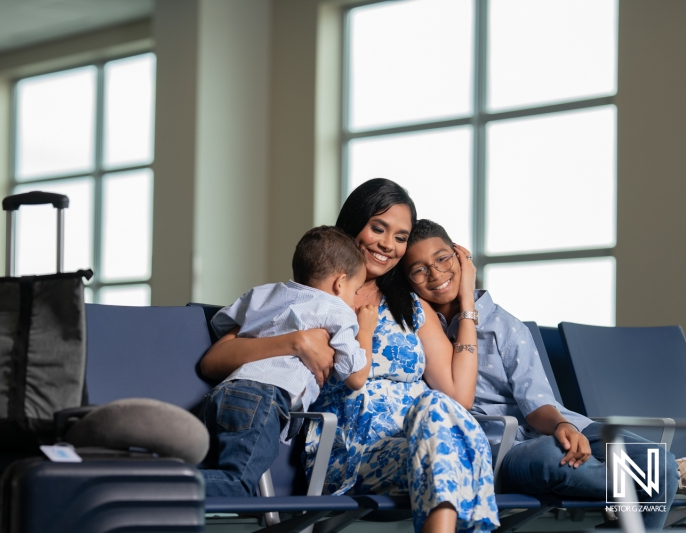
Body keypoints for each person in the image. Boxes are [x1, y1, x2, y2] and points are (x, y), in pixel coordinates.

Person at [201, 179, 500, 533]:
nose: (388, 245)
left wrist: (467, 302)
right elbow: (214, 360)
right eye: (378, 228)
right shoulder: (312, 297)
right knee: (453, 437)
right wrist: (297, 342)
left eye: (401, 237)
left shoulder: (411, 306)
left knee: (442, 414)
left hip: (420, 444)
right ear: (355, 221)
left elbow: (458, 396)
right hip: (347, 455)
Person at [403, 218, 678, 530]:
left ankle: (655, 481)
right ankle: (649, 486)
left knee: (656, 459)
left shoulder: (506, 326)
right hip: (506, 449)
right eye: (419, 269)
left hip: (554, 425)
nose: (436, 273)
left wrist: (562, 424)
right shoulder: (418, 330)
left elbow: (537, 403)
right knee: (554, 457)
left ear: (461, 258)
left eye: (442, 258)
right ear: (408, 280)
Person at [198, 225, 378, 497]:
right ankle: (140, 486)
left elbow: (221, 323)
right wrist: (365, 330)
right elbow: (354, 375)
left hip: (222, 394)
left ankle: (147, 479)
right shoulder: (337, 310)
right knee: (238, 485)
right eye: (354, 292)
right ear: (340, 283)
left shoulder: (263, 294)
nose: (354, 301)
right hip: (263, 399)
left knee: (212, 469)